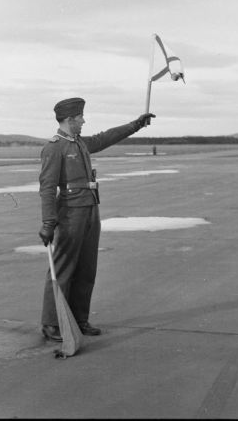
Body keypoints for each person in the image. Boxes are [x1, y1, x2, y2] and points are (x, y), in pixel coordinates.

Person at [38, 97, 155, 342]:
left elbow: (107, 137)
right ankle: (51, 324)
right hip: (70, 215)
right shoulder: (54, 147)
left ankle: (80, 319)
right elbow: (47, 189)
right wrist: (49, 222)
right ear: (69, 119)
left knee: (86, 269)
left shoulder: (80, 143)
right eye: (80, 117)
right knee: (63, 270)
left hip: (91, 211)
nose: (83, 120)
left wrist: (136, 125)